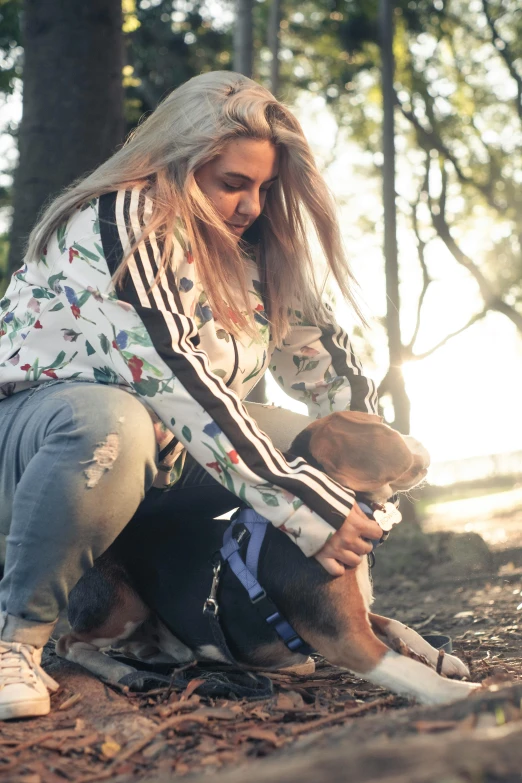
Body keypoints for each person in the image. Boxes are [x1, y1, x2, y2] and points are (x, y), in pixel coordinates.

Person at [0, 71, 383, 720]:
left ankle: (303, 624)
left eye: (263, 187)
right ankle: (18, 639)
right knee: (112, 421)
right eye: (232, 183)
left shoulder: (255, 248)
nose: (252, 206)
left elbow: (329, 376)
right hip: (45, 443)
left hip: (171, 449)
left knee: (326, 448)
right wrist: (309, 506)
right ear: (175, 165)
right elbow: (175, 380)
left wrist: (363, 484)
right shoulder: (119, 220)